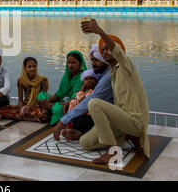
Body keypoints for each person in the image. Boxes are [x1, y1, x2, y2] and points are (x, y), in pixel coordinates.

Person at [79, 19, 150, 164]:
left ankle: (113, 149)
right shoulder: (113, 73)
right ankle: (124, 137)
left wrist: (99, 31)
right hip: (122, 121)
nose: (105, 51)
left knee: (94, 103)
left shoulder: (126, 65)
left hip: (135, 121)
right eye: (102, 50)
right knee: (85, 142)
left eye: (108, 48)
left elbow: (117, 51)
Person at [53, 44, 113, 141]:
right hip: (102, 112)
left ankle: (83, 134)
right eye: (92, 60)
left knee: (85, 140)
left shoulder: (107, 76)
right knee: (79, 119)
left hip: (111, 116)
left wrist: (62, 122)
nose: (93, 64)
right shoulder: (102, 74)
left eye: (96, 60)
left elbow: (91, 99)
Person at [39, 50, 87, 126]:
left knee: (58, 108)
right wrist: (48, 102)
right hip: (65, 102)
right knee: (41, 95)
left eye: (73, 63)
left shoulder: (83, 77)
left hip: (75, 105)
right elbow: (59, 94)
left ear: (80, 64)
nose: (70, 65)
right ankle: (49, 108)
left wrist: (61, 104)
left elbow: (75, 98)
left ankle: (52, 112)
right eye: (69, 62)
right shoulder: (67, 76)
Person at [0, 57, 50, 122]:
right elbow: (20, 100)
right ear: (25, 68)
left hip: (37, 105)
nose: (32, 69)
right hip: (25, 105)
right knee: (2, 108)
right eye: (29, 67)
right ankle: (26, 117)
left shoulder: (42, 80)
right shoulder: (21, 81)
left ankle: (20, 117)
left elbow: (43, 97)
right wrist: (21, 110)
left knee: (44, 114)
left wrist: (32, 105)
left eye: (34, 66)